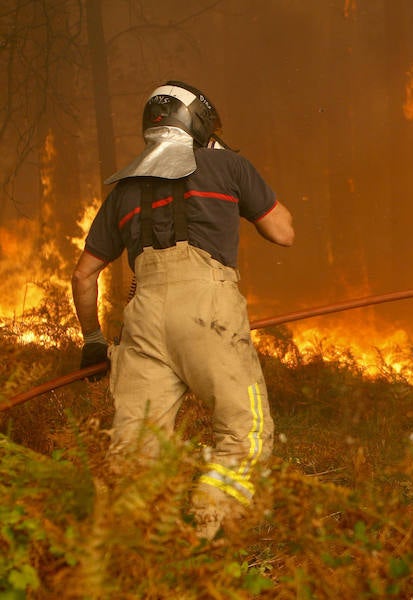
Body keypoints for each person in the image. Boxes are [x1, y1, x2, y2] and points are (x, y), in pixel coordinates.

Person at [71, 80, 294, 539]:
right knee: (245, 432)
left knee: (134, 452)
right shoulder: (228, 166)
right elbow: (283, 232)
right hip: (207, 307)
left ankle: (130, 555)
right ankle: (200, 535)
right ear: (200, 124)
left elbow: (83, 276)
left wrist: (94, 342)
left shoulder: (122, 193)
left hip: (143, 317)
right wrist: (229, 161)